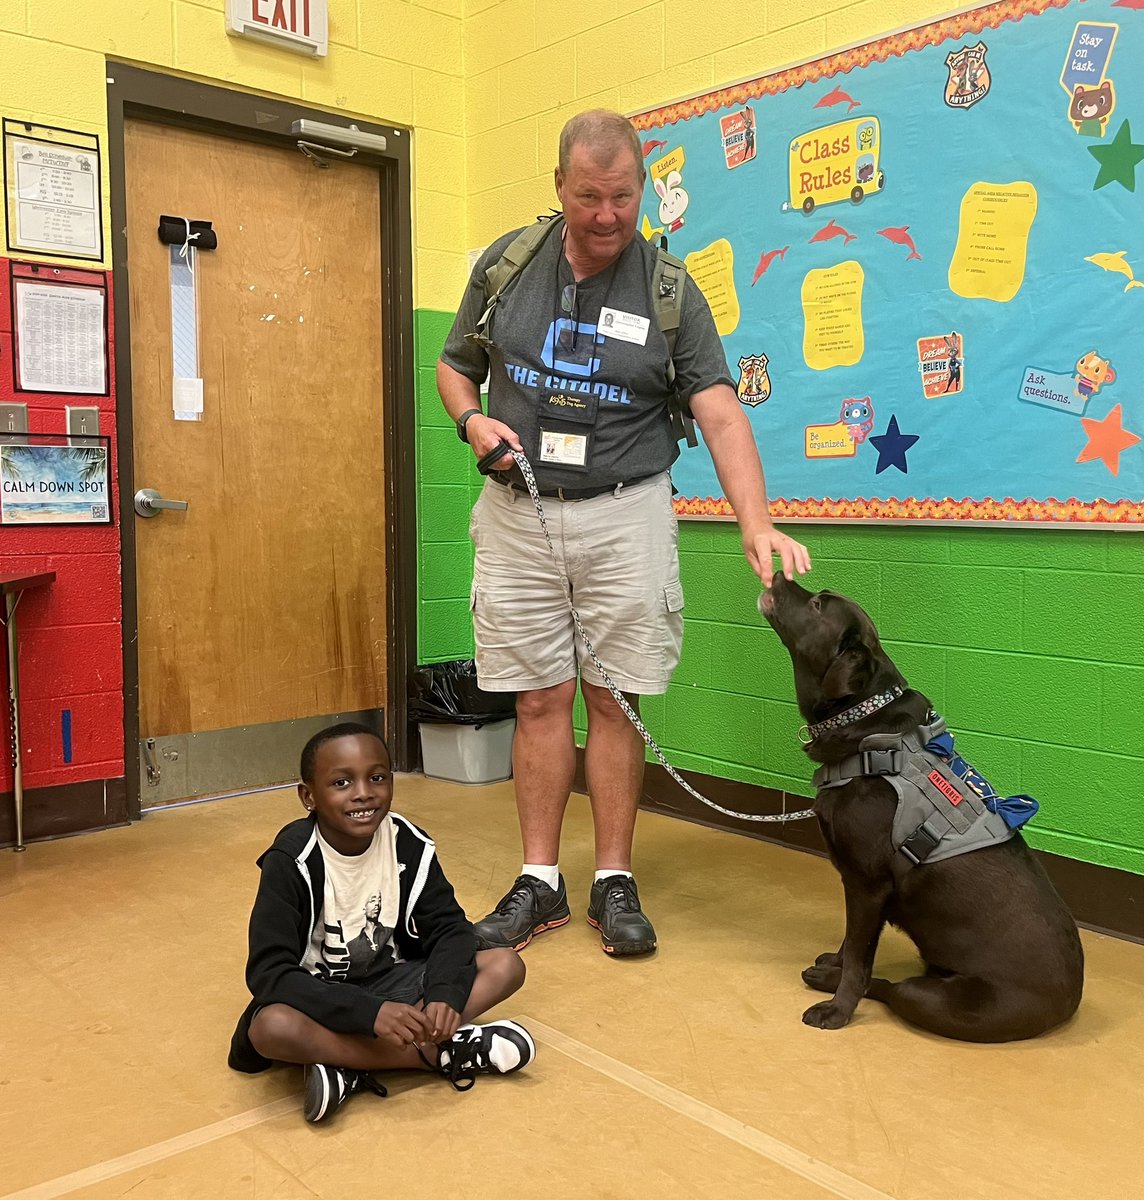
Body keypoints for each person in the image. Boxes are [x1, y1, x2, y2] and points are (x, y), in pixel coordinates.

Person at [436, 109, 812, 960]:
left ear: (643, 187)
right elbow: (456, 365)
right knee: (538, 699)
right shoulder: (508, 265)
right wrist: (470, 423)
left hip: (625, 513)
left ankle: (613, 878)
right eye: (589, 196)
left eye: (623, 196)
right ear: (559, 187)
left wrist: (756, 521)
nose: (607, 215)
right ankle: (539, 881)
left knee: (614, 699)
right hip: (519, 513)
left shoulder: (672, 291)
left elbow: (719, 413)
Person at [227, 722, 536, 1124]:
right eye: (341, 782)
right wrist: (369, 1013)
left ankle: (346, 1066)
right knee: (270, 1028)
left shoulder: (408, 843)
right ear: (309, 796)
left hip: (393, 982)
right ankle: (441, 1055)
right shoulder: (290, 861)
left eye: (377, 777)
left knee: (504, 964)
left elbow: (449, 928)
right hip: (318, 999)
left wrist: (444, 994)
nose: (363, 793)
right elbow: (269, 973)